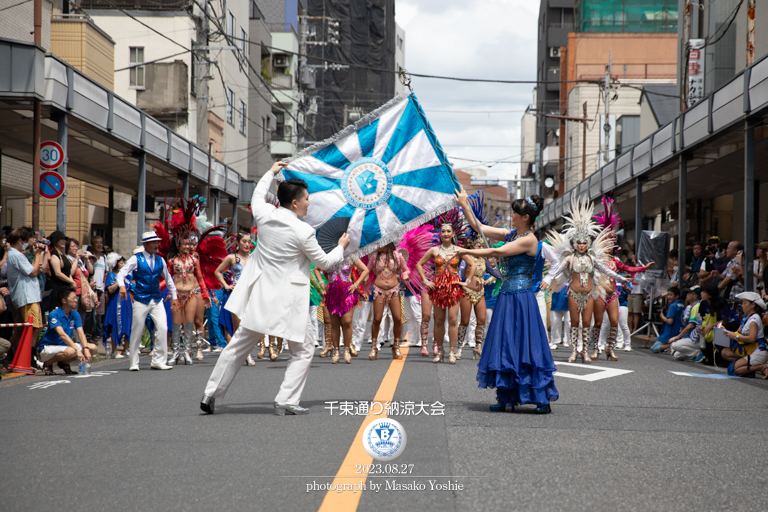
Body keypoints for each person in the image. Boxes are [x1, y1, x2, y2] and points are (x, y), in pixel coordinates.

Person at [201, 162, 348, 415]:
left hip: (261, 295)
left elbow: (257, 194)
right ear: (294, 203)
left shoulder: (265, 215)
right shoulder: (304, 231)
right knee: (302, 351)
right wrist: (342, 246)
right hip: (290, 300)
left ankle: (210, 394)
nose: (308, 203)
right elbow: (324, 262)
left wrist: (269, 171)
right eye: (306, 199)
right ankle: (286, 400)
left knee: (238, 346)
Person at [455, 192, 558, 413]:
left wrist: (464, 250)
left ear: (525, 218)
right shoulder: (511, 234)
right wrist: (464, 204)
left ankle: (541, 398)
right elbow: (478, 226)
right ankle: (505, 395)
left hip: (522, 299)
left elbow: (496, 251)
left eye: (514, 212)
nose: (511, 215)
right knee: (505, 343)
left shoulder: (529, 240)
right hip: (507, 297)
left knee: (525, 345)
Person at [545, 196, 627, 363]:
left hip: (589, 294)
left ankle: (585, 351)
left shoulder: (592, 259)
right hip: (574, 294)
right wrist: (547, 279)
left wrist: (621, 278)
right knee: (574, 323)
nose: (582, 245)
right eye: (579, 243)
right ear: (574, 244)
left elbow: (606, 271)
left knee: (587, 323)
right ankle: (575, 351)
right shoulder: (569, 259)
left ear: (588, 243)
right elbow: (556, 270)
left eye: (584, 243)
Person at [591, 196, 653, 360]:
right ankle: (596, 348)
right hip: (599, 295)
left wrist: (642, 268)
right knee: (598, 323)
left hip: (612, 296)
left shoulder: (615, 261)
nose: (612, 246)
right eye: (609, 243)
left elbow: (628, 269)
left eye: (613, 243)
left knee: (613, 321)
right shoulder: (596, 261)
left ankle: (609, 350)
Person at [417, 213, 475, 365]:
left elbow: (472, 264)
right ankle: (440, 350)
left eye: (449, 231)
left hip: (454, 289)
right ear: (440, 234)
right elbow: (419, 264)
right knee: (438, 321)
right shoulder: (434, 250)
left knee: (453, 320)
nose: (446, 233)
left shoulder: (459, 250)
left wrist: (466, 281)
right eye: (443, 231)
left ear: (453, 233)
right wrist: (425, 281)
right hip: (438, 289)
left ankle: (452, 352)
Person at [117, 231, 178, 371]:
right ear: (145, 244)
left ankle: (159, 361)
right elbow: (122, 272)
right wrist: (121, 285)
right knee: (137, 330)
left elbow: (168, 279)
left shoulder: (160, 260)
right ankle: (133, 362)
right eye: (153, 242)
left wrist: (174, 296)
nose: (157, 245)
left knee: (163, 327)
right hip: (140, 298)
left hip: (156, 298)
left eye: (157, 242)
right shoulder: (136, 259)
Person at [5, 228, 47, 360]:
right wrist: (38, 254)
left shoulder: (15, 254)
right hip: (27, 297)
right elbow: (33, 272)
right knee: (34, 328)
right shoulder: (16, 255)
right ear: (20, 240)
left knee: (22, 330)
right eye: (26, 240)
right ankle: (29, 356)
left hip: (26, 296)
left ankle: (7, 355)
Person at [38, 287, 98, 375]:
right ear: (64, 300)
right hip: (49, 347)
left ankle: (64, 363)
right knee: (72, 351)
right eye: (73, 298)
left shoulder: (75, 314)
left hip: (66, 346)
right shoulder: (54, 314)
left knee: (92, 348)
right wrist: (77, 350)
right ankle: (48, 363)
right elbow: (62, 335)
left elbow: (81, 333)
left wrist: (85, 348)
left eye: (76, 298)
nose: (76, 300)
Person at [215, 232, 254, 364]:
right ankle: (242, 354)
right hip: (236, 294)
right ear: (237, 243)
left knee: (249, 325)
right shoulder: (231, 258)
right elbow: (217, 272)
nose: (247, 244)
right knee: (238, 326)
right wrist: (226, 285)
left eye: (249, 242)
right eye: (244, 241)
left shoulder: (253, 258)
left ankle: (246, 353)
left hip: (250, 294)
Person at [324, 259, 369, 363]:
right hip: (332, 294)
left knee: (347, 322)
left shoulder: (351, 257)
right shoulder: (330, 256)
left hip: (347, 293)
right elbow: (316, 268)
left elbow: (365, 270)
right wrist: (322, 283)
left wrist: (356, 285)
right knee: (334, 324)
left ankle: (346, 350)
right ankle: (336, 351)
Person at [719, 292, 767, 377]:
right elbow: (738, 333)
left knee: (735, 370)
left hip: (757, 351)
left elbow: (752, 339)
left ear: (752, 305)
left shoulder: (754, 319)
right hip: (747, 349)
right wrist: (725, 331)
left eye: (745, 303)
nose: (742, 305)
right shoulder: (746, 318)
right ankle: (746, 364)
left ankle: (761, 367)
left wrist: (735, 337)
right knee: (724, 352)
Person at [103, 253, 130, 358]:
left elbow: (133, 285)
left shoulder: (127, 275)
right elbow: (110, 289)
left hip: (126, 302)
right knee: (115, 324)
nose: (124, 264)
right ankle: (114, 350)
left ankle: (126, 349)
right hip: (116, 302)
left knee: (128, 324)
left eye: (124, 262)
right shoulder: (111, 275)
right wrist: (119, 281)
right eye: (121, 263)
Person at [668, 287, 705, 362]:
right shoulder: (692, 306)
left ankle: (700, 352)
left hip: (698, 338)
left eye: (689, 293)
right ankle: (697, 353)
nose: (687, 295)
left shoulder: (696, 306)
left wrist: (677, 337)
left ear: (695, 296)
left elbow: (691, 325)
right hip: (693, 336)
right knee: (677, 355)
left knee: (674, 345)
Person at [46, 231, 75, 312]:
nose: (64, 241)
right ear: (55, 241)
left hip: (65, 288)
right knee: (57, 311)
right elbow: (58, 273)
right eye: (61, 239)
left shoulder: (63, 255)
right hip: (57, 288)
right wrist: (72, 282)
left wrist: (72, 282)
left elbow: (68, 272)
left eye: (64, 239)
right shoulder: (54, 254)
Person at [651, 287, 686, 353]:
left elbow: (670, 321)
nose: (668, 297)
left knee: (654, 348)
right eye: (668, 295)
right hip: (678, 332)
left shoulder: (673, 306)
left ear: (677, 296)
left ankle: (671, 346)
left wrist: (662, 316)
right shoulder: (682, 305)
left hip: (669, 334)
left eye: (671, 295)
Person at [88, 236, 108, 346]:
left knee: (99, 313)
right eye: (97, 243)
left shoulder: (104, 257)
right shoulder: (90, 256)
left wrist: (104, 285)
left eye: (101, 243)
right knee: (92, 313)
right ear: (92, 244)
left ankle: (98, 335)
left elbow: (106, 272)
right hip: (91, 289)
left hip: (101, 288)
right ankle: (92, 335)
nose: (99, 245)